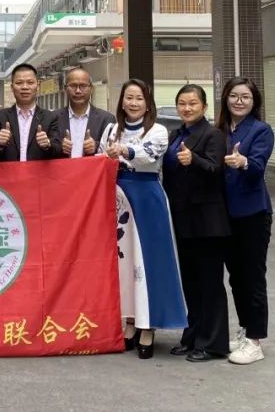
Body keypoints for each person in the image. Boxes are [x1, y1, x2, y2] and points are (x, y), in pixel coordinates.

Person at [100, 79, 187, 359]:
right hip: (118, 197)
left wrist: (123, 151)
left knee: (150, 262)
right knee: (124, 263)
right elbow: (101, 159)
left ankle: (148, 325)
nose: (134, 103)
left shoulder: (158, 130)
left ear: (148, 103)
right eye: (129, 97)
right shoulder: (111, 129)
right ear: (122, 101)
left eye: (139, 98)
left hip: (147, 198)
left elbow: (149, 156)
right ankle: (129, 321)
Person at [161, 83, 230, 362]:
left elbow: (216, 169)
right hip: (182, 220)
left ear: (204, 106)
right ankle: (190, 337)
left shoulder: (213, 135)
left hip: (207, 222)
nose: (187, 108)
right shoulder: (176, 134)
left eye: (193, 103)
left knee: (210, 284)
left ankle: (212, 344)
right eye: (182, 103)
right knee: (189, 283)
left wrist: (194, 159)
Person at [216, 77, 274, 366]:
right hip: (224, 215)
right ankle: (244, 329)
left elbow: (259, 166)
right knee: (235, 277)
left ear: (254, 102)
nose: (239, 101)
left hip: (253, 214)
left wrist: (244, 162)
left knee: (252, 277)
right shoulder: (219, 130)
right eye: (234, 96)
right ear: (226, 98)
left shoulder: (261, 130)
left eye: (246, 97)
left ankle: (255, 340)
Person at [0, 63, 62, 162]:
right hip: (9, 172)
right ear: (12, 87)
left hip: (37, 172)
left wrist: (47, 145)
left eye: (30, 82)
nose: (25, 87)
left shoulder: (50, 117)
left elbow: (58, 152)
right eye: (19, 83)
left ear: (38, 85)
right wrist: (0, 144)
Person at [56, 67, 115, 158]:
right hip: (64, 167)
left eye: (83, 86)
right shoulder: (54, 118)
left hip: (93, 167)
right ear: (65, 89)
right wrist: (60, 147)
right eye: (73, 86)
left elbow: (113, 152)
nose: (78, 91)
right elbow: (46, 151)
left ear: (91, 89)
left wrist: (96, 146)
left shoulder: (107, 119)